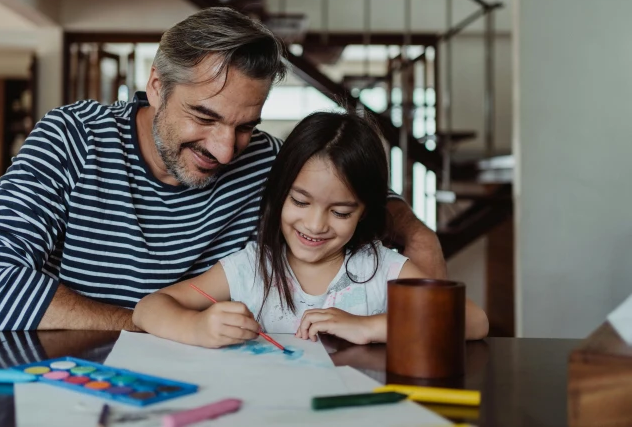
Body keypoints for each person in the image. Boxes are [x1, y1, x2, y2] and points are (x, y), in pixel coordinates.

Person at [0, 7, 446, 331]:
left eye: (245, 126)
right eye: (204, 117)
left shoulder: (264, 160)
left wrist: (414, 230)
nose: (226, 150)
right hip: (79, 376)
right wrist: (160, 326)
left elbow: (344, 192)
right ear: (157, 87)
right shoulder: (72, 138)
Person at [133, 112, 488, 346]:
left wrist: (372, 326)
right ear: (277, 195)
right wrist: (197, 327)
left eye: (341, 211)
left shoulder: (381, 268)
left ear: (365, 212)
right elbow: (148, 307)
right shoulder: (250, 267)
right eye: (300, 202)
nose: (316, 225)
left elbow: (474, 321)